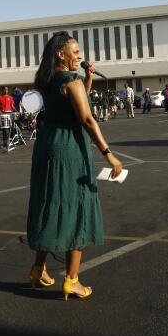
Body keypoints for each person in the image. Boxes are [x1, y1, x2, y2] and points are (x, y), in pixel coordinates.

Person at [26, 32, 122, 300]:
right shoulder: (71, 81)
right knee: (77, 206)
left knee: (50, 201)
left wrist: (88, 78)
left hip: (48, 144)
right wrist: (109, 154)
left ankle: (38, 268)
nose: (79, 55)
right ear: (61, 54)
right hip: (69, 148)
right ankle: (72, 280)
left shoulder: (48, 80)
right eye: (75, 51)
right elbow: (87, 118)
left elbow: (75, 103)